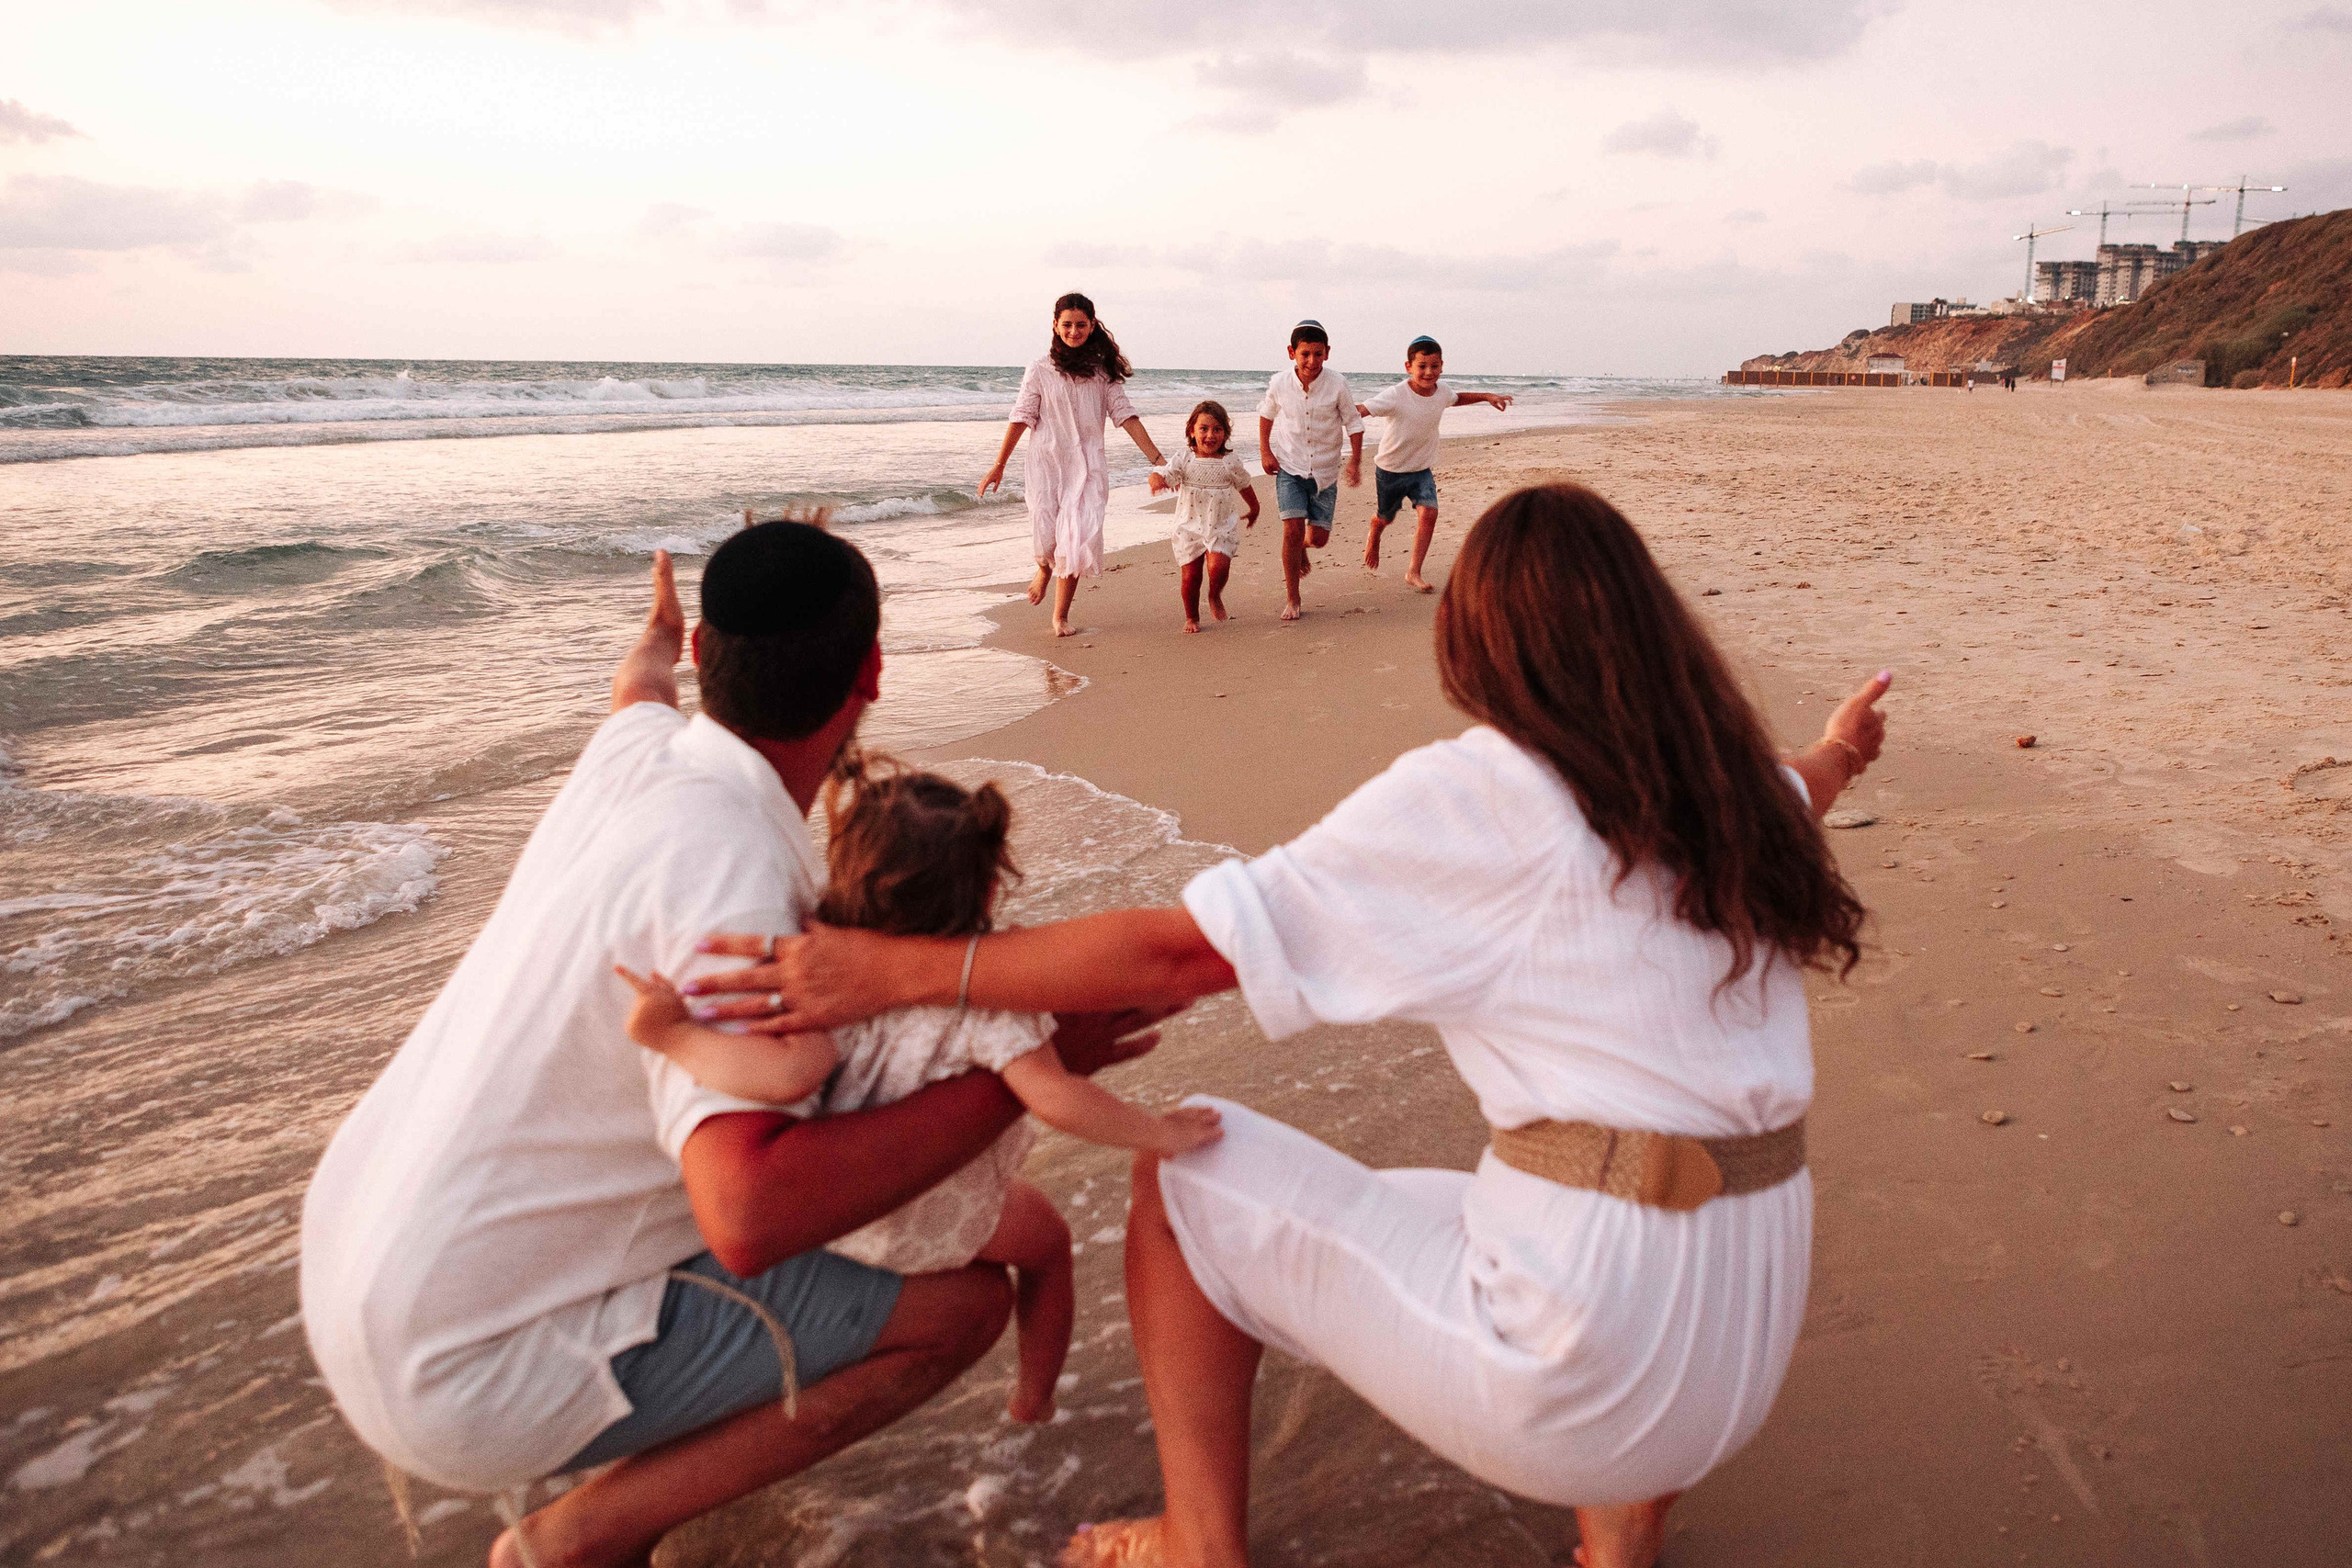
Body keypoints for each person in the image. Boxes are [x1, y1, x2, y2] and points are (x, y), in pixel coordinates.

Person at [686, 484, 1894, 1568]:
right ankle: (1623, 1536)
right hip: (1738, 1346)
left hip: (1595, 1373)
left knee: (1193, 1177)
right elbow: (1809, 777)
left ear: (1478, 640)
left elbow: (1186, 948)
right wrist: (1842, 744)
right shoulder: (1732, 793)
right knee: (1481, 1183)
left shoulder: (1489, 791)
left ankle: (1199, 1541)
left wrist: (893, 970)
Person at [298, 524, 1168, 1568]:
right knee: (962, 1306)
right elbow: (749, 1213)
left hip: (358, 1268)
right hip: (468, 1369)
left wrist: (656, 636)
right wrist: (1031, 1067)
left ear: (711, 657)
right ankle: (584, 1539)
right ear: (874, 674)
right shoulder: (738, 884)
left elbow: (637, 682)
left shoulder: (643, 753)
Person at [616, 753, 1222, 1426]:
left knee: (799, 1063)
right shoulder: (995, 1002)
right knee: (1047, 1247)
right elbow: (1056, 1097)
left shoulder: (818, 968)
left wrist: (675, 1036)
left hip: (839, 1215)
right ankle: (1034, 1398)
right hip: (935, 1219)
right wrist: (1160, 1133)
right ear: (989, 890)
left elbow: (787, 1073)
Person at [981, 293, 1168, 637]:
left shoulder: (1103, 373)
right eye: (1066, 324)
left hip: (1088, 468)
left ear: (1092, 326)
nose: (1074, 331)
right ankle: (1042, 568)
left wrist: (1159, 461)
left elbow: (1125, 416)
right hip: (1046, 464)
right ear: (1055, 326)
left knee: (1077, 540)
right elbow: (1022, 416)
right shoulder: (1039, 369)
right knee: (1047, 538)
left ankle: (1060, 615)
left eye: (1081, 325)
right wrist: (999, 464)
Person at [1354, 335, 1514, 592]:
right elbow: (1362, 409)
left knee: (1429, 513)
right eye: (1422, 366)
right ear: (1408, 367)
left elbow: (1456, 398)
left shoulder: (1442, 392)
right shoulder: (1396, 395)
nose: (1429, 372)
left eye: (1434, 366)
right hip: (1391, 470)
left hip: (1421, 470)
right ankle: (1376, 528)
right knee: (1386, 517)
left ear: (1442, 365)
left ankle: (1413, 572)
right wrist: (1328, 415)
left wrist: (1486, 396)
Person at [1256, 321, 1363, 622]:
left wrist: (1355, 461)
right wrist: (1265, 451)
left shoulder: (1337, 384)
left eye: (1318, 354)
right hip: (1289, 467)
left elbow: (1353, 422)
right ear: (1292, 352)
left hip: (1326, 472)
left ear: (1327, 353)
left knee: (1317, 538)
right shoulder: (1279, 383)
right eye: (1305, 354)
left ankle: (1303, 546)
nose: (1311, 361)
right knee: (1291, 529)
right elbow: (1266, 414)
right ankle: (1293, 597)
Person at [1147, 400, 1260, 633]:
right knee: (1191, 575)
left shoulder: (1230, 461)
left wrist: (1254, 508)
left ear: (1225, 434)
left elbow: (1244, 485)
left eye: (1217, 429)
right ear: (1192, 430)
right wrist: (1155, 480)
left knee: (1218, 566)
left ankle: (1214, 595)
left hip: (1220, 524)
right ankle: (1192, 617)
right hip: (1189, 525)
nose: (1210, 435)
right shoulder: (1185, 458)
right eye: (1204, 429)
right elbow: (1165, 474)